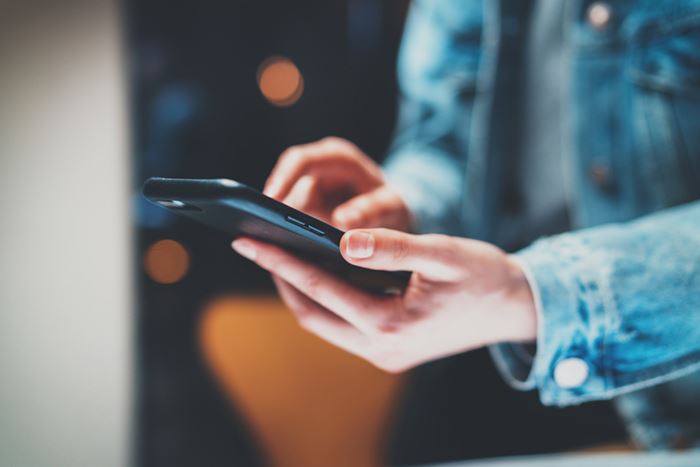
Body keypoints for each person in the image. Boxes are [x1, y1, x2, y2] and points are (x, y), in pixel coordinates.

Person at [232, 0, 700, 453]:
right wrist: (402, 205)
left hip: (669, 392)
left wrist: (533, 293)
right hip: (470, 351)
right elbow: (446, 137)